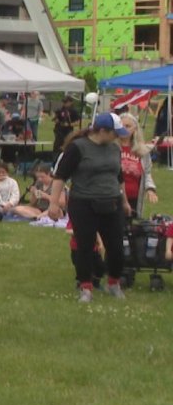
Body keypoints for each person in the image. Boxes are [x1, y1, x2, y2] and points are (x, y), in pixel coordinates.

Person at [50, 113, 131, 303]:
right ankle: (85, 288)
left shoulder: (114, 148)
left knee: (117, 247)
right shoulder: (78, 148)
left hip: (112, 202)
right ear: (102, 131)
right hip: (84, 203)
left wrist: (125, 202)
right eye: (115, 133)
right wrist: (54, 203)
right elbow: (60, 176)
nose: (119, 137)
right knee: (85, 247)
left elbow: (119, 177)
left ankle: (113, 283)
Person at [118, 113, 157, 218]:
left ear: (135, 129)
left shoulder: (142, 151)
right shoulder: (111, 148)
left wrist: (150, 189)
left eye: (128, 126)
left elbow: (147, 172)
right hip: (114, 198)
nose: (124, 129)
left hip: (134, 197)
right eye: (121, 125)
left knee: (131, 230)